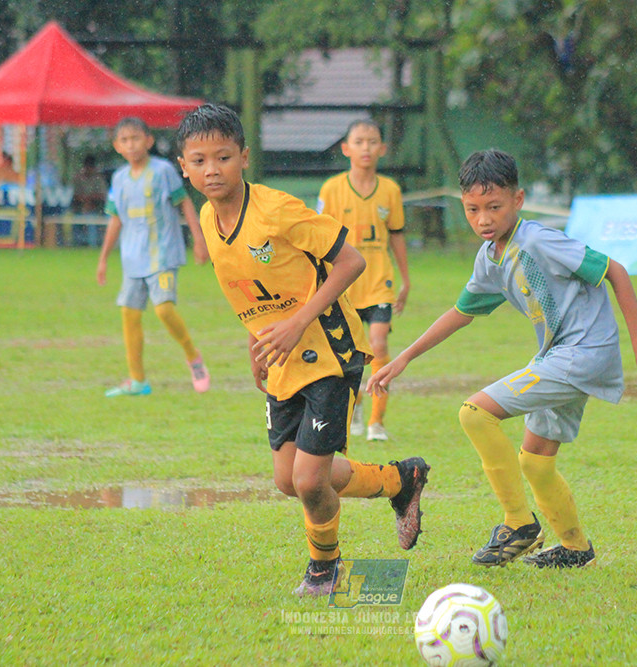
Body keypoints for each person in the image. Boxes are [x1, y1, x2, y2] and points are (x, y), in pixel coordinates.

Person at [367, 149, 637, 568]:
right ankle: (575, 548)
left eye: (494, 207)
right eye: (473, 209)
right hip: (559, 356)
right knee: (536, 462)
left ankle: (518, 523)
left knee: (475, 413)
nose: (483, 219)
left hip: (580, 355)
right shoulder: (490, 257)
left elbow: (615, 271)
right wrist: (404, 357)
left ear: (518, 199)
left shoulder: (537, 240)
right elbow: (461, 313)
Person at [175, 103, 429, 596]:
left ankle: (324, 570)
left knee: (311, 480)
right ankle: (401, 480)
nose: (212, 170)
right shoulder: (207, 217)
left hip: (330, 348)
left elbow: (351, 262)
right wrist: (256, 342)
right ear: (184, 167)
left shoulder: (276, 209)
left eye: (223, 157)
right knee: (289, 480)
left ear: (244, 157)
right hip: (282, 356)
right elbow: (246, 285)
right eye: (199, 161)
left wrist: (297, 322)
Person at [96, 117, 211, 397]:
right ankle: (138, 381)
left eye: (136, 138)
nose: (131, 145)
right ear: (117, 146)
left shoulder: (163, 171)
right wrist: (103, 259)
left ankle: (193, 356)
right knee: (129, 314)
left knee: (164, 310)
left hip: (163, 255)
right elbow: (115, 219)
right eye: (124, 140)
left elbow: (184, 202)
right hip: (132, 260)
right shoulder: (119, 179)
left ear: (148, 141)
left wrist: (199, 239)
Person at [317, 119, 410, 442]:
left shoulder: (390, 190)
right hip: (344, 284)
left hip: (379, 282)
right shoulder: (331, 189)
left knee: (379, 344)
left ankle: (376, 422)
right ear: (346, 149)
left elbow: (397, 235)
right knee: (351, 354)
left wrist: (406, 280)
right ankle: (354, 405)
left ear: (382, 148)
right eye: (359, 141)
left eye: (372, 141)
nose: (366, 148)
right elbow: (320, 237)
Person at [70, 154, 109, 245]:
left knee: (91, 222)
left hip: (96, 209)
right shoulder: (78, 178)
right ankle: (76, 244)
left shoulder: (99, 179)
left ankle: (92, 245)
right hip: (80, 209)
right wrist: (85, 201)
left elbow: (102, 196)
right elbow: (75, 195)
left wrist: (89, 200)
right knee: (76, 222)